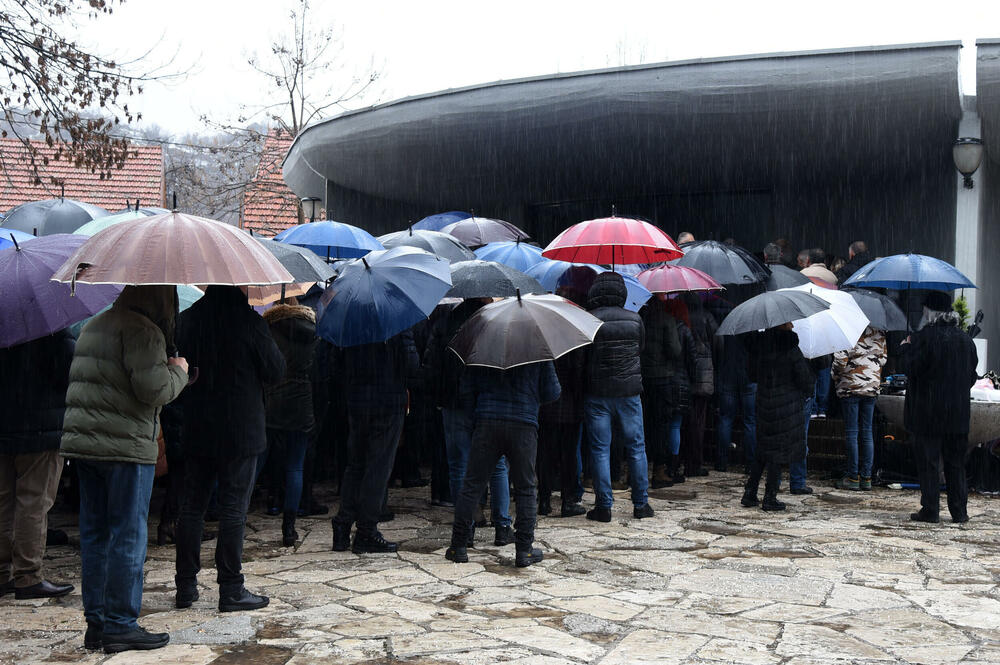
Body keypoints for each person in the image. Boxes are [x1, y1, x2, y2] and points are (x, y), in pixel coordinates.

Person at [61, 286, 188, 653]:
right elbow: (153, 390)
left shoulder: (94, 325)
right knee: (128, 536)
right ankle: (120, 624)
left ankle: (97, 623)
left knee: (96, 535)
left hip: (85, 445)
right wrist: (178, 372)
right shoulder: (144, 331)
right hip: (126, 449)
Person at [174, 286, 285, 613]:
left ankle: (185, 585)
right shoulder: (248, 322)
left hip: (197, 426)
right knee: (233, 508)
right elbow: (276, 370)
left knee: (192, 506)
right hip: (241, 430)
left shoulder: (187, 320)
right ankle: (231, 588)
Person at [445, 360, 560, 567]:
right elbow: (552, 392)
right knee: (525, 488)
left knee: (472, 485)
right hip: (523, 424)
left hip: (488, 422)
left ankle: (458, 546)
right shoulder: (538, 351)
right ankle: (524, 550)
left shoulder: (484, 348)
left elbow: (466, 390)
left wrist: (480, 412)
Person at [423, 299, 513, 540]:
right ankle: (503, 525)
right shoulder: (495, 324)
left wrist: (439, 396)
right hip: (488, 402)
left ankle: (466, 526)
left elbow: (431, 365)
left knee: (459, 464)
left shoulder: (445, 323)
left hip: (453, 402)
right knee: (497, 464)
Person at [0, 329, 75, 600]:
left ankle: (2, 573)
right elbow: (70, 374)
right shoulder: (50, 328)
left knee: (4, 502)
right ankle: (27, 576)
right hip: (40, 429)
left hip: (5, 425)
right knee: (33, 502)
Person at [331, 330, 419, 553]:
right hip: (387, 401)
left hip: (358, 399)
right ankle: (366, 531)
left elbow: (336, 363)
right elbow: (412, 365)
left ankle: (342, 525)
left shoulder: (352, 322)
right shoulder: (398, 323)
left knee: (356, 464)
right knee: (377, 468)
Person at [899, 291, 979, 523]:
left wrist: (905, 347)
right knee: (956, 464)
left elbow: (911, 370)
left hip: (928, 413)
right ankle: (959, 511)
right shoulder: (965, 340)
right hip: (957, 414)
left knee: (929, 463)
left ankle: (931, 509)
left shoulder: (923, 338)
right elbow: (971, 376)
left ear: (929, 312)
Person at [583, 272, 654, 522]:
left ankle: (604, 506)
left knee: (600, 449)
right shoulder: (635, 320)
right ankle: (641, 504)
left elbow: (585, 356)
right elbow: (640, 349)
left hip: (598, 393)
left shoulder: (589, 320)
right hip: (629, 392)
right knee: (636, 447)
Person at [261, 300, 320, 547]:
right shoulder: (314, 330)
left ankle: (242, 516)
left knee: (259, 459)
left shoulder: (268, 328)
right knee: (295, 466)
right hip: (301, 402)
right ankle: (289, 527)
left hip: (273, 400)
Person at [742, 324, 815, 511]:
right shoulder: (790, 347)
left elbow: (752, 375)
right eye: (789, 321)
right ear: (782, 325)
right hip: (786, 406)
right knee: (778, 451)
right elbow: (805, 379)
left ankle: (750, 492)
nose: (792, 324)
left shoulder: (759, 346)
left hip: (764, 402)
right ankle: (770, 497)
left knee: (762, 450)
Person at [832, 326, 887, 490]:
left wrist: (834, 376)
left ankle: (852, 476)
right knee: (867, 432)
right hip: (871, 387)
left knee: (851, 432)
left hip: (850, 386)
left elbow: (840, 361)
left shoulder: (847, 329)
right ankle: (866, 477)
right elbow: (883, 359)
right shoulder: (880, 331)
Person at [680, 292, 717, 477]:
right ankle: (694, 463)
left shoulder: (681, 318)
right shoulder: (707, 317)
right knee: (699, 422)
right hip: (704, 375)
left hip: (684, 375)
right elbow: (719, 343)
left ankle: (681, 460)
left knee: (684, 422)